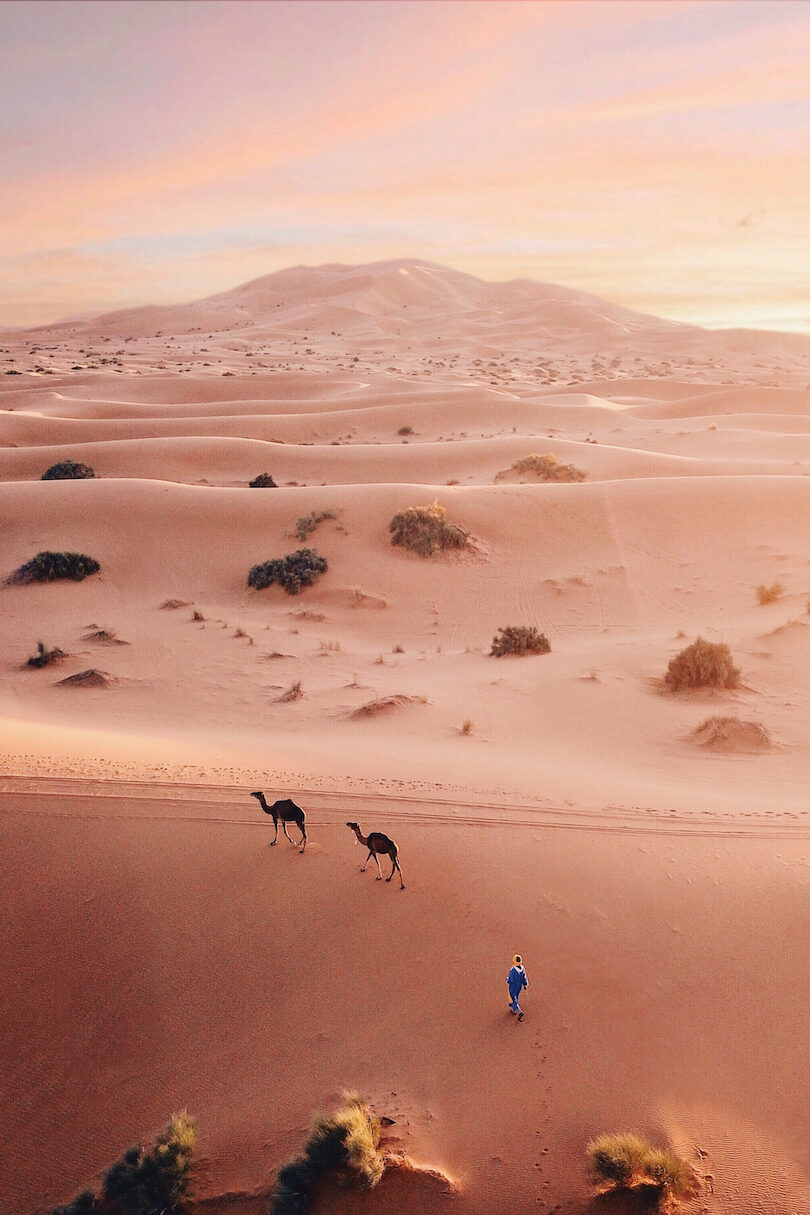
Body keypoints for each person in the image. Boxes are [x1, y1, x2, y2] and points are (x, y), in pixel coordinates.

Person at [507, 954, 528, 1021]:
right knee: (516, 996)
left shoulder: (513, 970)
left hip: (513, 986)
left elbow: (510, 980)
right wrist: (525, 984)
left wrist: (507, 980)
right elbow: (524, 977)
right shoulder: (522, 968)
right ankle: (514, 1008)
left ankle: (518, 1011)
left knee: (512, 997)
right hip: (519, 986)